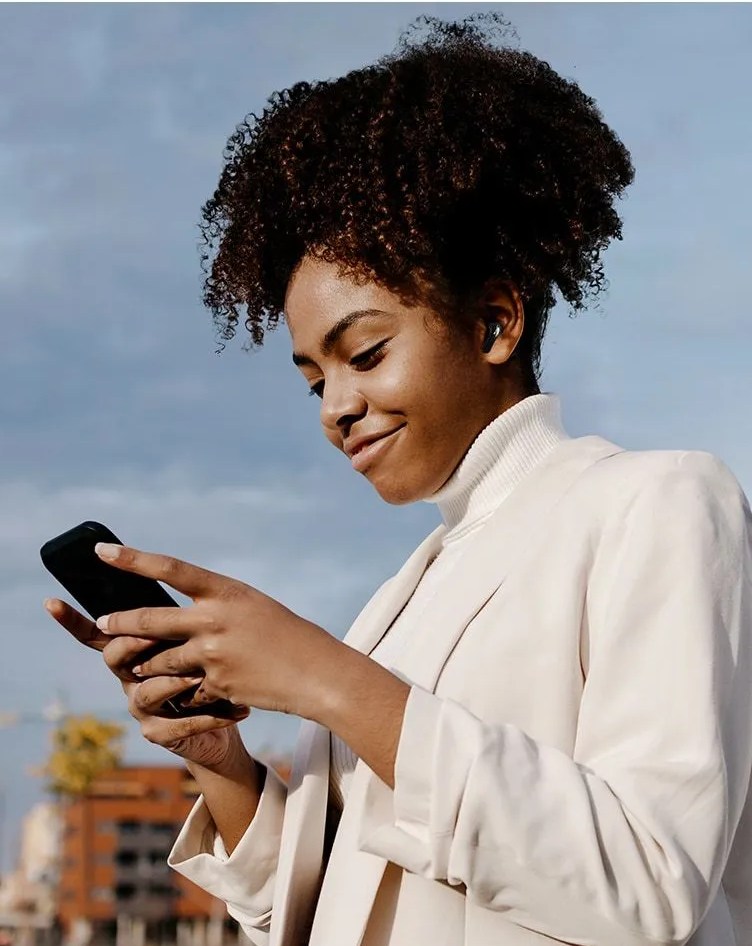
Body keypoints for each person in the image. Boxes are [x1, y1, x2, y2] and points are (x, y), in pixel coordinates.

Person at [45, 14, 752, 946]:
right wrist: (220, 759)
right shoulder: (400, 598)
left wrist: (326, 678)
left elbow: (649, 887)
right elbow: (331, 910)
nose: (336, 405)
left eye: (366, 352)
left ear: (496, 322)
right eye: (313, 379)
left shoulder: (659, 503)